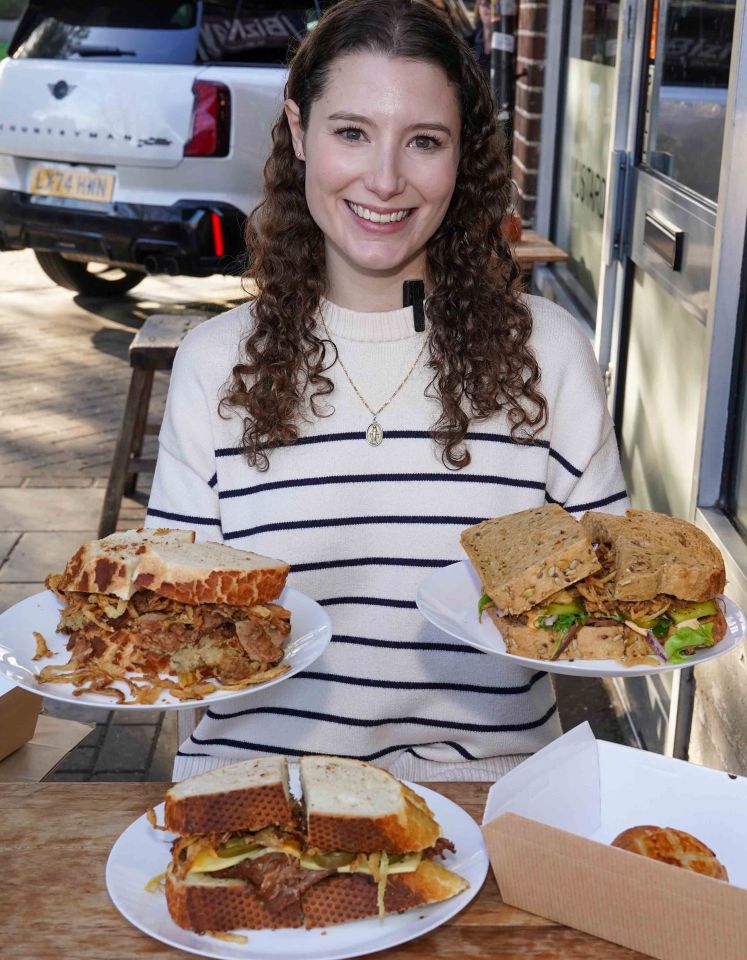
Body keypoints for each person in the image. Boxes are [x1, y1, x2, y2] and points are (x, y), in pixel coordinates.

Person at [146, 0, 628, 782]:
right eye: (351, 132)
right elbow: (177, 629)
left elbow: (612, 603)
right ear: (300, 134)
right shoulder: (213, 363)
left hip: (491, 795)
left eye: (424, 142)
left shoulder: (550, 353)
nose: (384, 179)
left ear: (461, 153)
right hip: (261, 793)